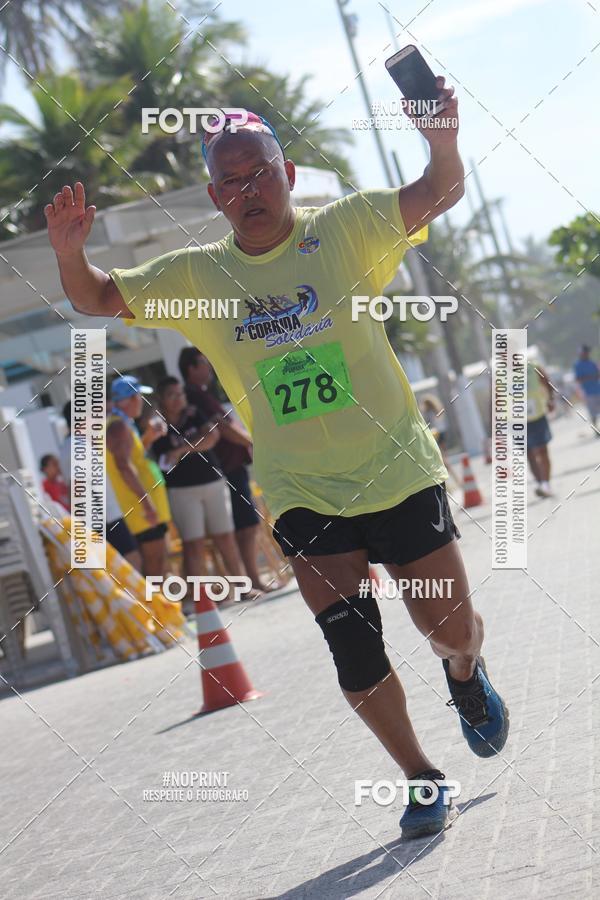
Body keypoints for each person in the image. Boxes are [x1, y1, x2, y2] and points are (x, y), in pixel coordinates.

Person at [45, 84, 509, 839]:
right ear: (214, 196)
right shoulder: (197, 277)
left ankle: (465, 675)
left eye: (258, 171)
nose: (246, 189)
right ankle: (421, 777)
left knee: (451, 628)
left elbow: (441, 188)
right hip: (302, 493)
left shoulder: (351, 228)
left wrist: (444, 137)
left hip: (394, 468)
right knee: (352, 645)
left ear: (286, 173)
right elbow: (98, 296)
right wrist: (70, 254)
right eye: (229, 180)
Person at [179, 346, 277, 593]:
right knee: (245, 526)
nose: (208, 367)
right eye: (203, 362)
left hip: (228, 468)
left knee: (246, 526)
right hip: (226, 468)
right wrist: (251, 442)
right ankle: (251, 580)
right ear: (191, 368)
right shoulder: (195, 394)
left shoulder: (201, 393)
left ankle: (250, 580)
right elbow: (222, 426)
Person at [152, 376, 258, 604]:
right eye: (172, 395)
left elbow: (212, 437)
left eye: (180, 393)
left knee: (225, 537)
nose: (179, 399)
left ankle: (242, 587)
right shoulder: (157, 425)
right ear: (161, 398)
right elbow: (159, 452)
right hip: (182, 490)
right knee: (194, 543)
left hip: (212, 481)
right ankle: (201, 599)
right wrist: (189, 446)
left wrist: (181, 450)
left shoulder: (193, 414)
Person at [59, 400, 142, 569]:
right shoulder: (77, 446)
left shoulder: (77, 444)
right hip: (102, 517)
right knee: (130, 563)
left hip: (102, 516)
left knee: (124, 566)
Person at [105, 375, 171, 577]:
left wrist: (149, 438)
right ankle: (154, 608)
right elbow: (123, 466)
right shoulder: (118, 426)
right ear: (133, 398)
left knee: (158, 560)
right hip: (140, 508)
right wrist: (147, 503)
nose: (142, 402)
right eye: (140, 397)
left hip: (142, 505)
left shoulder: (122, 424)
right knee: (154, 562)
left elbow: (133, 457)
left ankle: (158, 606)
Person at [526, 360, 556, 498]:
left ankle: (545, 484)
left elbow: (547, 383)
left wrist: (550, 400)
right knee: (529, 454)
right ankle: (540, 483)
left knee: (542, 450)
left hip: (538, 415)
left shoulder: (533, 367)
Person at [573, 344, 600, 436]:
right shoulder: (578, 365)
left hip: (598, 389)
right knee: (593, 413)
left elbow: (597, 373)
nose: (588, 354)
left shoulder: (592, 362)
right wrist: (590, 377)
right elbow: (578, 379)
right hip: (588, 392)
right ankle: (596, 429)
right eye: (586, 352)